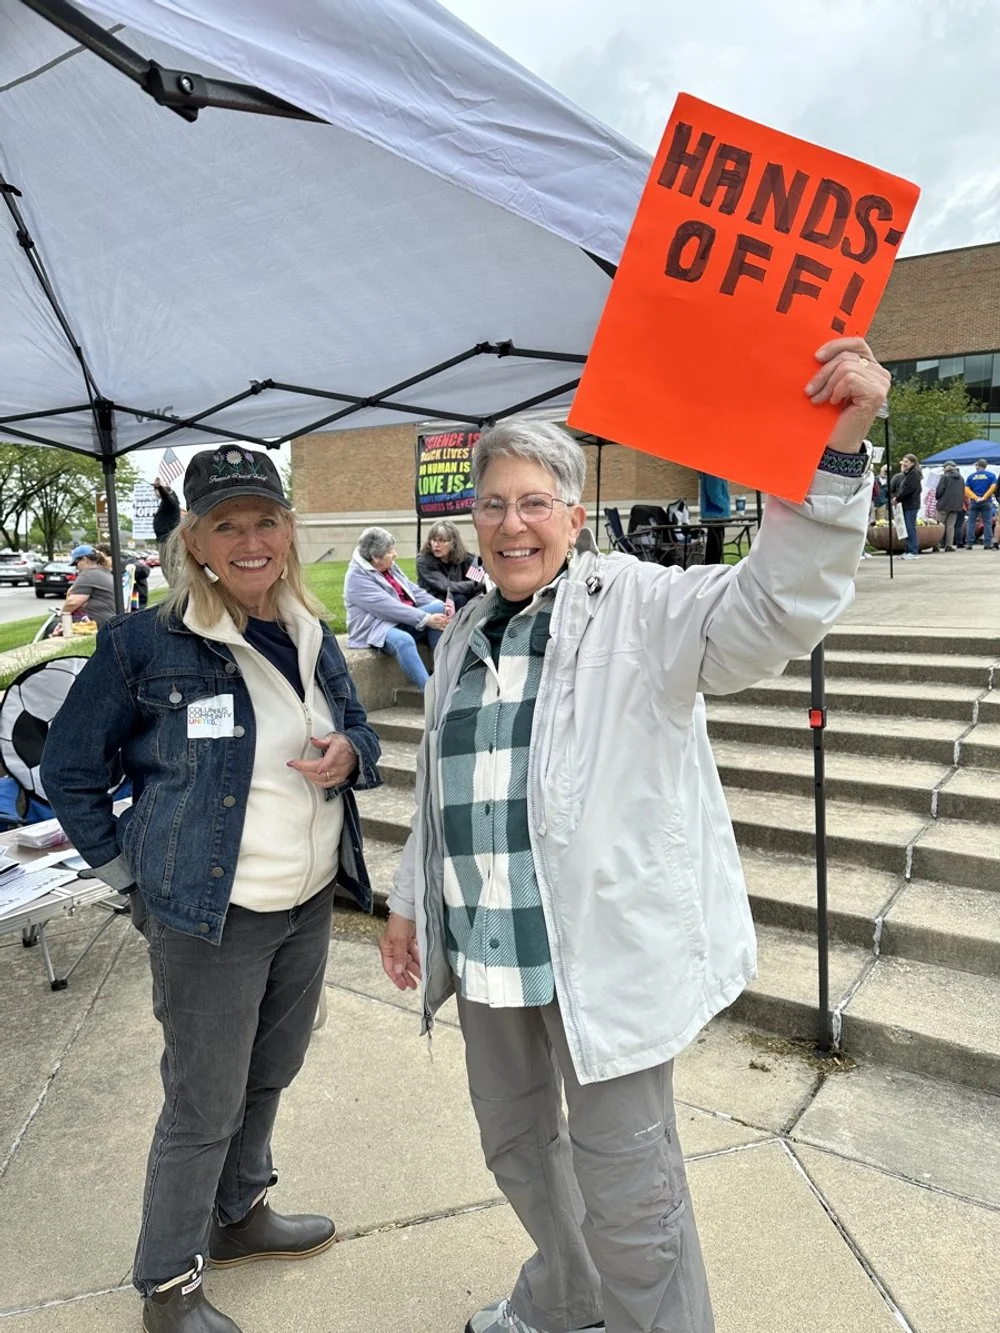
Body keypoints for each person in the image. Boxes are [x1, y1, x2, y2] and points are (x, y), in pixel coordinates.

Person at [379, 337, 886, 1333]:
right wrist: (405, 902)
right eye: (492, 503)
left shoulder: (640, 609)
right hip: (489, 959)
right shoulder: (464, 637)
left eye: (533, 502)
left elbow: (774, 606)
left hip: (596, 962)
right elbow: (449, 792)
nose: (510, 523)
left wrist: (832, 458)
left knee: (631, 1195)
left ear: (573, 513)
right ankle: (565, 1300)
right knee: (518, 1149)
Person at [41, 445, 382, 1333]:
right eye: (226, 524)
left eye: (264, 519)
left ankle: (239, 1215)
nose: (250, 539)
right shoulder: (143, 642)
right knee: (203, 1101)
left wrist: (352, 754)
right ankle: (168, 1286)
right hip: (206, 917)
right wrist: (130, 883)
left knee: (270, 1073)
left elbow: (356, 728)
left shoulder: (313, 627)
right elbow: (67, 769)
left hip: (305, 905)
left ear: (288, 529)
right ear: (193, 540)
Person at [345, 527, 448, 689]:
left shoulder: (388, 565)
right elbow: (389, 608)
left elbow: (412, 590)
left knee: (439, 608)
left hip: (401, 619)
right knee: (403, 641)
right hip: (377, 626)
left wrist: (442, 606)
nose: (395, 554)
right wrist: (426, 619)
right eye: (390, 551)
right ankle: (430, 693)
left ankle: (443, 676)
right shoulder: (356, 578)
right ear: (375, 558)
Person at [416, 520, 487, 610]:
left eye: (442, 541)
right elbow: (446, 586)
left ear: (453, 543)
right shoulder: (424, 560)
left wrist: (482, 584)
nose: (436, 545)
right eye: (433, 540)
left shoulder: (463, 557)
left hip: (457, 598)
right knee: (460, 598)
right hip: (434, 603)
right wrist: (478, 584)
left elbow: (482, 579)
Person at [61, 543, 117, 627]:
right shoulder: (104, 572)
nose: (76, 568)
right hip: (108, 620)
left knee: (53, 625)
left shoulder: (88, 574)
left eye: (76, 563)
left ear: (84, 559)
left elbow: (72, 603)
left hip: (96, 622)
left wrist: (62, 613)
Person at [96, 541, 150, 607]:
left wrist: (117, 566)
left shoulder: (128, 562)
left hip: (134, 604)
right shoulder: (101, 569)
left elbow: (145, 571)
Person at [890, 453, 923, 559]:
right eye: (903, 461)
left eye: (906, 462)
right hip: (905, 504)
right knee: (905, 528)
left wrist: (897, 498)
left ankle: (913, 551)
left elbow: (908, 489)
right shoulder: (907, 474)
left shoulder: (914, 474)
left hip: (911, 504)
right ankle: (908, 549)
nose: (904, 464)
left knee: (910, 527)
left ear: (912, 463)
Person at [153, 479, 183, 582]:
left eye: (155, 490)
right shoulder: (169, 504)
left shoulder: (170, 502)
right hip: (165, 539)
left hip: (168, 539)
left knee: (171, 570)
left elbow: (166, 497)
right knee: (169, 569)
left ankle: (180, 594)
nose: (155, 492)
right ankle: (177, 592)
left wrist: (160, 487)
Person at [964, 458, 997, 549]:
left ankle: (969, 543)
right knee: (987, 523)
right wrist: (984, 497)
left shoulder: (971, 476)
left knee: (971, 522)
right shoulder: (991, 476)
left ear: (978, 466)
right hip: (986, 502)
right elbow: (993, 487)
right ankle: (987, 543)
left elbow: (966, 490)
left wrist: (975, 498)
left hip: (974, 502)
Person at [935, 462, 966, 551]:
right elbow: (963, 492)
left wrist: (938, 498)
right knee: (950, 526)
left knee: (939, 525)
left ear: (946, 468)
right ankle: (949, 545)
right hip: (956, 505)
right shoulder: (961, 478)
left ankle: (936, 545)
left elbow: (939, 491)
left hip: (943, 505)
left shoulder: (944, 477)